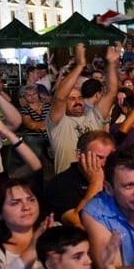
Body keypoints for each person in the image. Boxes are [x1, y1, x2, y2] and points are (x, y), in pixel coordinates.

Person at [47, 43, 120, 173]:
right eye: (72, 99)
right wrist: (80, 65)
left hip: (97, 180)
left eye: (80, 98)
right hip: (70, 182)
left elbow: (111, 92)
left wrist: (111, 64)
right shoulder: (58, 123)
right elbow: (59, 97)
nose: (78, 102)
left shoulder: (93, 117)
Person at [43, 129, 116, 228]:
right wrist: (96, 183)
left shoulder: (115, 177)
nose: (104, 163)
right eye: (98, 157)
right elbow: (79, 223)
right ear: (79, 154)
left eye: (109, 157)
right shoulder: (60, 183)